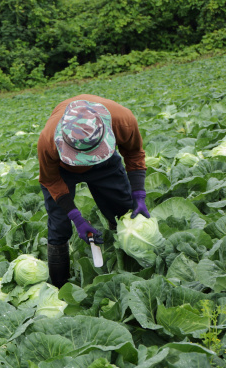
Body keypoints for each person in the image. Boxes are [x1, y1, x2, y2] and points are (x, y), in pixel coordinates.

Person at [37, 94, 149, 288]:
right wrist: (76, 219)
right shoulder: (48, 141)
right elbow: (51, 180)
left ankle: (130, 272)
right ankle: (59, 287)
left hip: (105, 164)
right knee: (59, 225)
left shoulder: (123, 121)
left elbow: (134, 153)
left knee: (122, 210)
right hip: (63, 170)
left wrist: (138, 193)